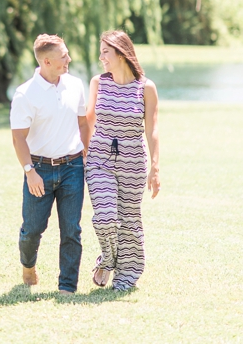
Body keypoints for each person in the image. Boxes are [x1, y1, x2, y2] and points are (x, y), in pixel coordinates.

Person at [10, 34, 90, 295]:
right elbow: (18, 138)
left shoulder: (75, 85)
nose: (69, 59)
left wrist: (87, 154)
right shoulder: (25, 94)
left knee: (71, 230)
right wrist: (29, 172)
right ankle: (28, 265)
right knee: (32, 230)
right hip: (39, 170)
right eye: (63, 56)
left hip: (72, 168)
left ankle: (67, 287)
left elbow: (83, 123)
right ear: (46, 61)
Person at [85, 30, 160, 291]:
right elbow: (88, 120)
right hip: (99, 160)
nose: (101, 57)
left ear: (121, 53)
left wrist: (155, 167)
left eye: (105, 51)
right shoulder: (98, 83)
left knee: (129, 219)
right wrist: (85, 154)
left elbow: (152, 129)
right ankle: (107, 259)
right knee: (105, 216)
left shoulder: (146, 87)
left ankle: (128, 274)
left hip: (133, 161)